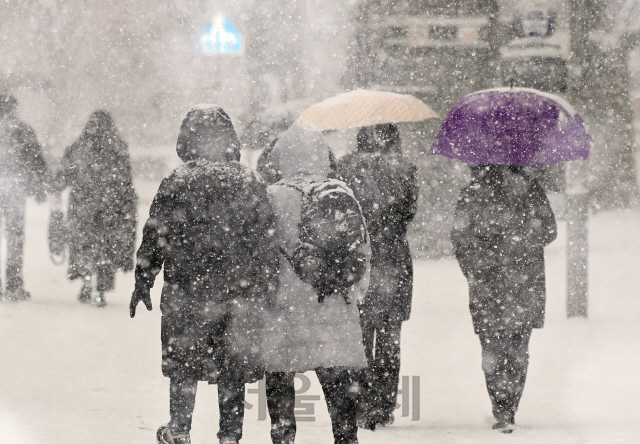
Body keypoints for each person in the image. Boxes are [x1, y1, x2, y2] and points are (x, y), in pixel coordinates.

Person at [130, 105, 280, 444]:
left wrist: (144, 277)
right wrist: (266, 287)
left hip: (187, 290)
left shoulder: (178, 181)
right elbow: (266, 240)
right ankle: (230, 434)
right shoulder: (249, 181)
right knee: (233, 365)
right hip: (238, 293)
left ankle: (180, 427)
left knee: (183, 360)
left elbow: (156, 233)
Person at [257, 125, 370, 444]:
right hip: (335, 303)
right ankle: (346, 437)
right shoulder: (341, 191)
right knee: (337, 377)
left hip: (286, 304)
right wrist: (353, 291)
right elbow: (363, 250)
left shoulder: (272, 195)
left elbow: (261, 253)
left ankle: (284, 436)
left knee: (280, 377)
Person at [450, 164, 557, 433]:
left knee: (491, 347)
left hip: (487, 283)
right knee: (518, 347)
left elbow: (460, 238)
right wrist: (521, 243)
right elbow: (549, 230)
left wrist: (475, 269)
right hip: (525, 282)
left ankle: (500, 407)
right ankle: (511, 405)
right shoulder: (530, 189)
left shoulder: (473, 192)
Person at [335, 123, 418, 429]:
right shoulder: (403, 169)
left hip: (357, 257)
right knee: (388, 336)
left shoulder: (343, 168)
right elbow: (409, 212)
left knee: (356, 333)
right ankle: (382, 404)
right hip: (393, 259)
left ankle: (358, 400)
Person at [53, 110, 137, 307]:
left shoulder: (79, 147)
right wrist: (126, 206)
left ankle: (86, 280)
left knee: (84, 245)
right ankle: (100, 290)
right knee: (105, 248)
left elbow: (63, 175)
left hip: (83, 205)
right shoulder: (117, 148)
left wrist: (55, 187)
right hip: (110, 207)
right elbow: (125, 181)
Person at [0, 93, 49, 301]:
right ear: (12, 109)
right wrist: (40, 187)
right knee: (14, 236)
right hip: (14, 188)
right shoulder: (22, 130)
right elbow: (36, 160)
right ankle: (13, 283)